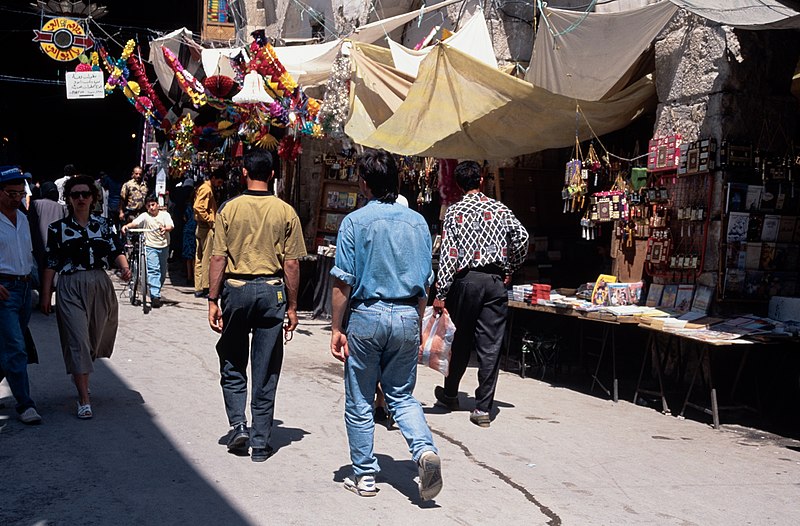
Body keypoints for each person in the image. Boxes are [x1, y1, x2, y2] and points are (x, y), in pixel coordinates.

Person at [330, 149, 442, 501]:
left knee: (361, 398)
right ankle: (423, 450)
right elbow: (425, 283)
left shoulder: (354, 222)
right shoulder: (418, 223)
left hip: (367, 315)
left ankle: (364, 475)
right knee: (401, 395)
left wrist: (336, 327)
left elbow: (342, 283)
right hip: (407, 314)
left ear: (364, 184)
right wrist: (417, 320)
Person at [207, 150, 306, 462]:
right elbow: (291, 264)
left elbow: (218, 258)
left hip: (235, 291)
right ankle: (261, 444)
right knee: (266, 369)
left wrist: (212, 299)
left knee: (233, 359)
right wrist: (292, 307)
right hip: (272, 292)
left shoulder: (228, 210)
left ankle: (238, 426)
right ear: (273, 175)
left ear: (243, 174)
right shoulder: (286, 212)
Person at [433, 160, 529, 428]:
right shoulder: (500, 209)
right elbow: (521, 237)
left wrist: (441, 292)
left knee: (460, 340)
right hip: (495, 282)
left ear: (459, 184)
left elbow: (449, 254)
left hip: (466, 281)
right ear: (481, 180)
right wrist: (510, 266)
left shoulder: (453, 212)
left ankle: (451, 394)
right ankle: (483, 409)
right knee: (490, 347)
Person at [40, 175, 131, 419]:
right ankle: (83, 398)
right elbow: (51, 262)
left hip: (100, 284)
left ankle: (81, 378)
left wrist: (124, 268)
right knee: (77, 340)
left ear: (93, 198)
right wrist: (46, 295)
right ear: (68, 199)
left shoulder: (104, 224)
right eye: (75, 194)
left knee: (92, 340)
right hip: (70, 285)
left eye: (85, 194)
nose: (81, 198)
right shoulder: (57, 229)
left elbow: (116, 250)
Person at [0, 166, 42, 425]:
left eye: (20, 193)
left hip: (25, 288)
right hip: (4, 291)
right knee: (16, 347)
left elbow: (30, 254)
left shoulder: (24, 219)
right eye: (11, 193)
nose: (17, 198)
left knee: (8, 345)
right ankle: (25, 404)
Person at [121, 195, 174, 308]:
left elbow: (170, 225)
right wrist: (126, 226)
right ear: (146, 206)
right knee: (153, 269)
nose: (151, 207)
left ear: (157, 205)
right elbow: (135, 223)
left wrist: (165, 229)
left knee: (162, 272)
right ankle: (155, 296)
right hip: (150, 246)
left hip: (163, 246)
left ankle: (156, 290)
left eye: (153, 205)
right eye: (149, 205)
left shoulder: (165, 215)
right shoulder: (145, 216)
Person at [28, 181, 66, 288]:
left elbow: (31, 225)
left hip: (38, 244)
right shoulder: (60, 207)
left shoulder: (35, 204)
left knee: (40, 271)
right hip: (56, 244)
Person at [193, 168, 224, 298]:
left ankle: (199, 287)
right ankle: (205, 287)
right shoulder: (207, 189)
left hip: (200, 226)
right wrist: (210, 220)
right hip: (205, 228)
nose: (219, 185)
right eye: (219, 182)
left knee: (199, 257)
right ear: (213, 178)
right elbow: (198, 207)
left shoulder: (203, 188)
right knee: (206, 258)